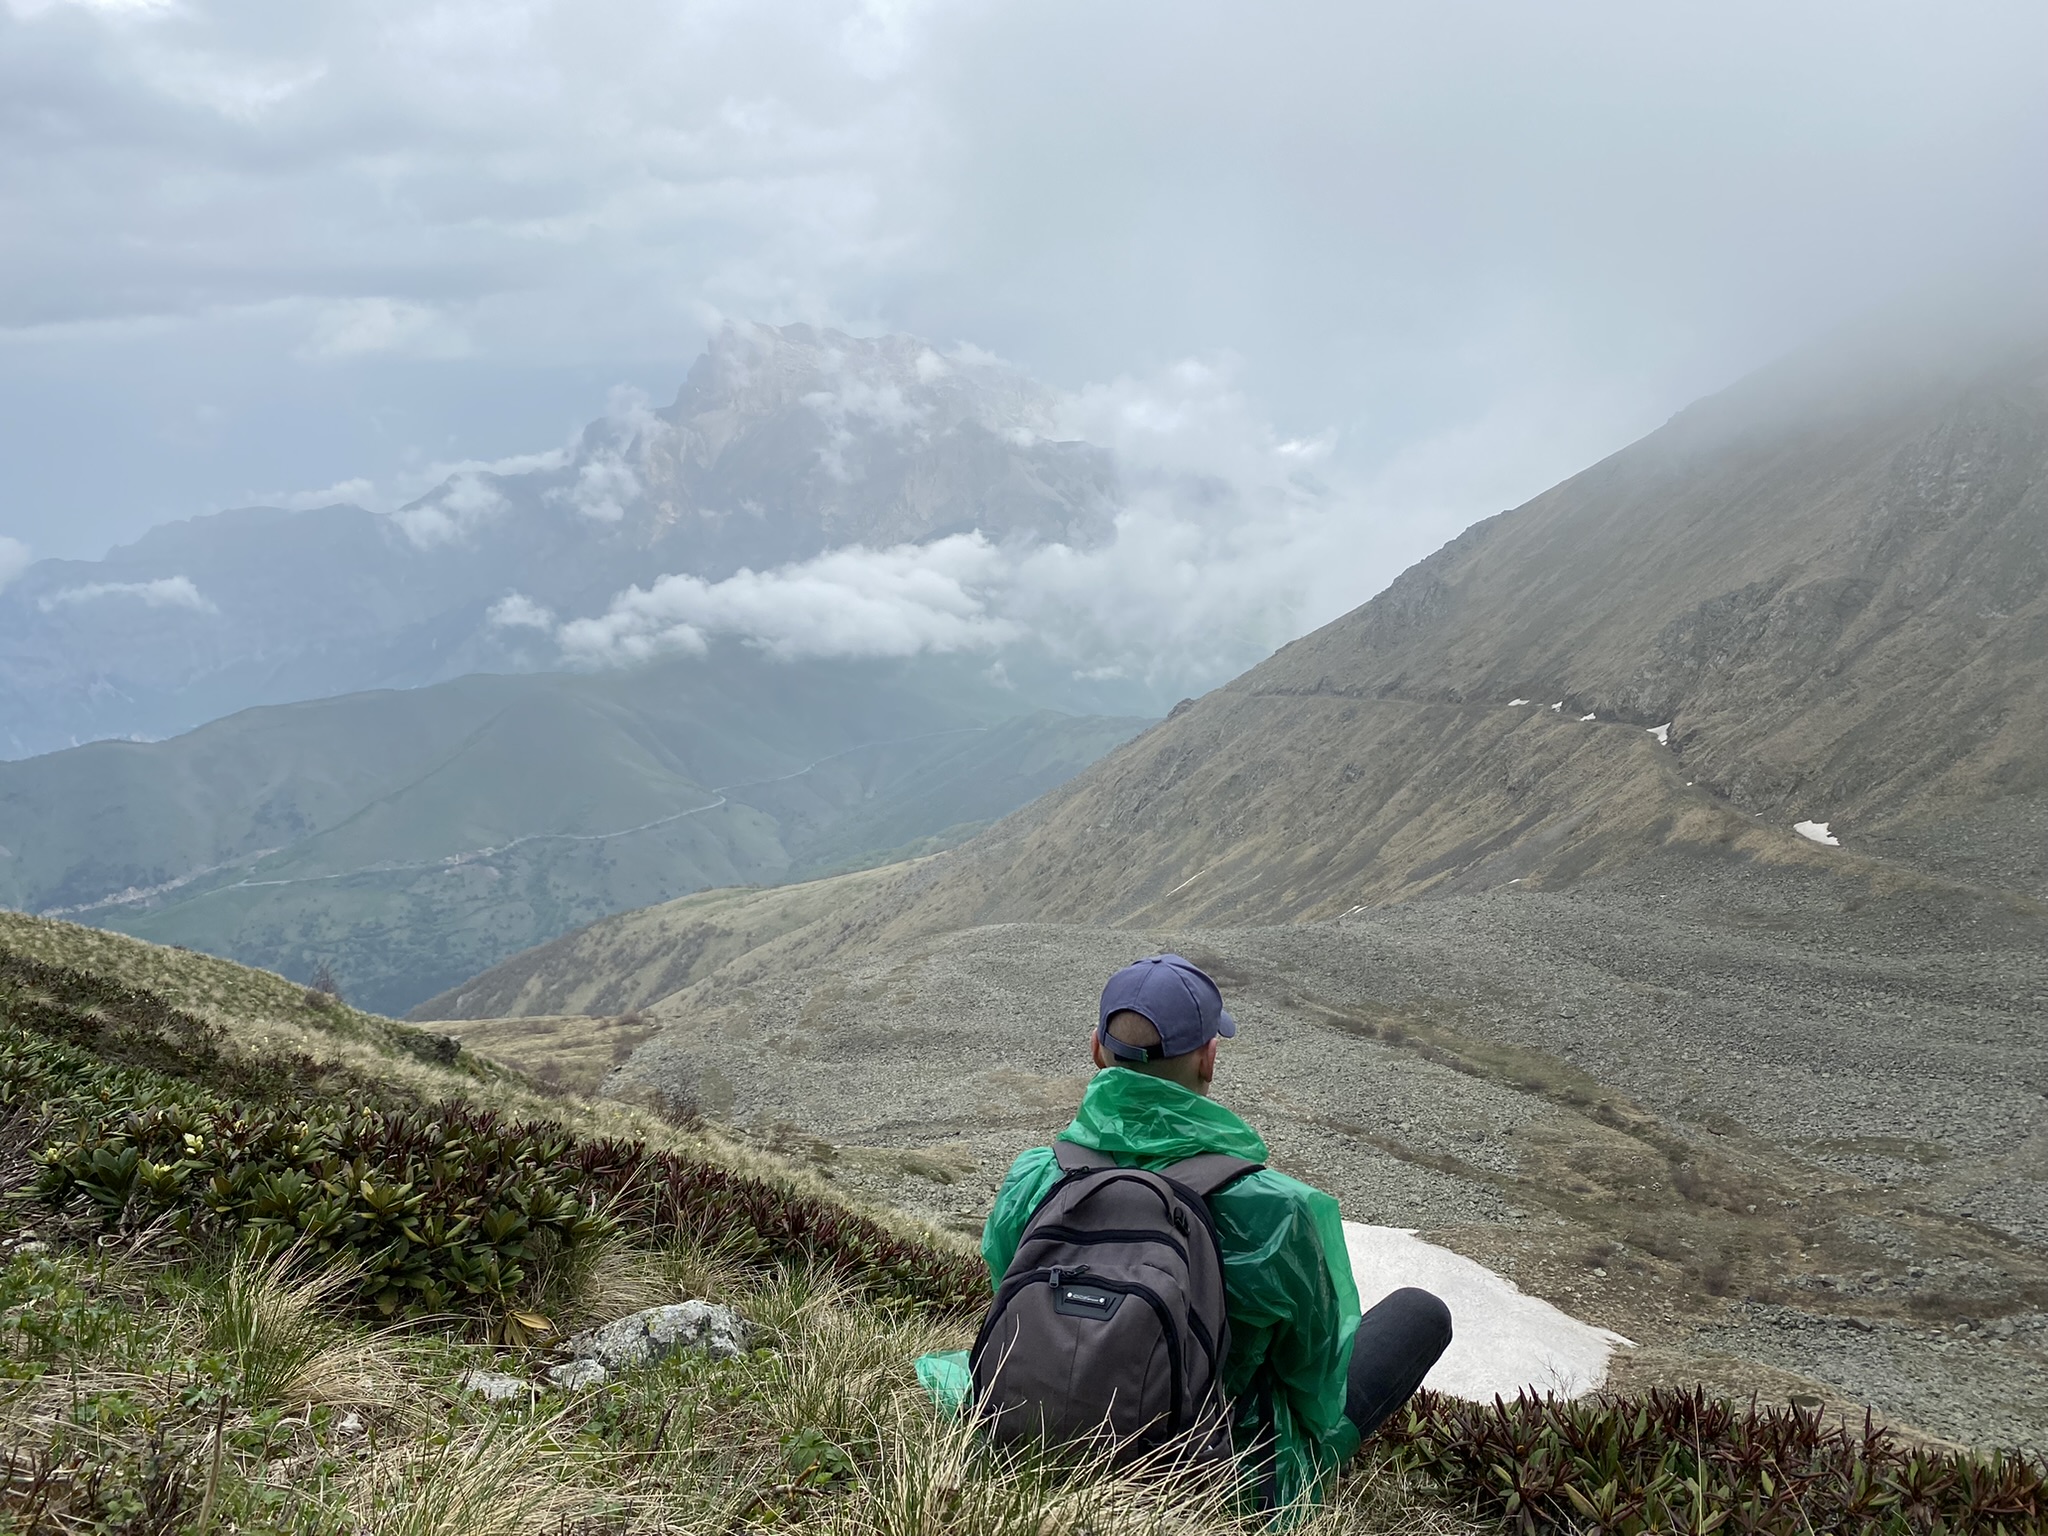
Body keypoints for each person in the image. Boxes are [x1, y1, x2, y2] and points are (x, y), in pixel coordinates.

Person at [916, 953, 1452, 1517]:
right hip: (1214, 1475)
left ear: (1097, 1049)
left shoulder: (1035, 1174)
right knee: (1421, 1313)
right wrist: (1316, 1439)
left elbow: (1013, 1286)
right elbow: (1314, 1377)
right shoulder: (1277, 1207)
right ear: (1209, 1058)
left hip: (1027, 1425)